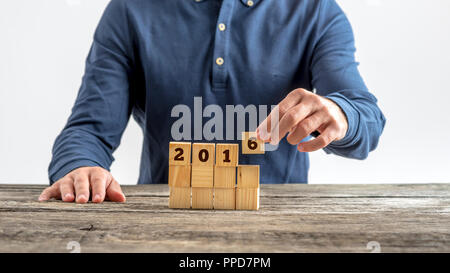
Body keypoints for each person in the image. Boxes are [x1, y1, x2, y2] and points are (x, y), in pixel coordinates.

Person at [39, 0, 386, 203]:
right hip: (161, 225)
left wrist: (342, 113)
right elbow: (88, 131)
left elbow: (365, 117)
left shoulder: (316, 11)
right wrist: (78, 168)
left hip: (279, 228)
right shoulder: (130, 9)